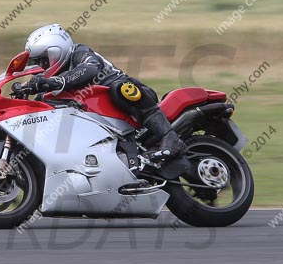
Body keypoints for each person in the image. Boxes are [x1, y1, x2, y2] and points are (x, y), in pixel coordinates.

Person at [23, 23, 187, 162]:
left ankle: (170, 137)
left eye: (43, 60)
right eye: (35, 62)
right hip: (104, 117)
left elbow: (91, 68)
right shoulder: (53, 80)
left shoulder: (79, 53)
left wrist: (57, 81)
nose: (40, 66)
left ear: (56, 51)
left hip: (132, 98)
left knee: (122, 89)